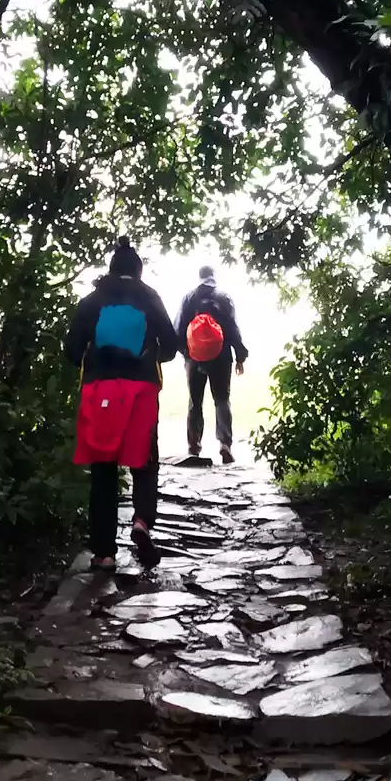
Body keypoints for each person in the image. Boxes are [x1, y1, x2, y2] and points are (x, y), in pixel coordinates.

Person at [65, 237, 177, 571]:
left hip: (100, 390)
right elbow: (171, 346)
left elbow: (71, 349)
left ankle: (103, 553)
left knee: (103, 468)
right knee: (144, 460)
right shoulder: (150, 298)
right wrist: (149, 354)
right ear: (138, 271)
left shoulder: (92, 300)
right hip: (141, 390)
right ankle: (142, 521)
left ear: (111, 270)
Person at [174, 264, 248, 465]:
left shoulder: (189, 298)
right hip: (221, 357)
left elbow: (178, 328)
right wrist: (240, 356)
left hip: (194, 357)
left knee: (195, 401)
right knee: (222, 399)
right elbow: (233, 329)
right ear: (213, 277)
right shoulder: (224, 298)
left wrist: (187, 354)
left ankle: (193, 446)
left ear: (199, 277)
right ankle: (225, 444)